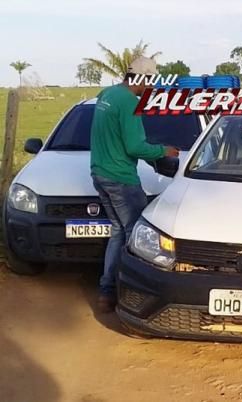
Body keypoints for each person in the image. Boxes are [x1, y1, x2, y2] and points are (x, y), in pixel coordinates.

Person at [90, 57, 179, 312]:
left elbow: (117, 137)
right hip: (121, 178)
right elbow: (134, 146)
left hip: (100, 173)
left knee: (118, 232)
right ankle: (132, 295)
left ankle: (106, 293)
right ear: (143, 79)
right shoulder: (130, 102)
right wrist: (164, 151)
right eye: (150, 82)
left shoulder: (108, 94)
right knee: (136, 236)